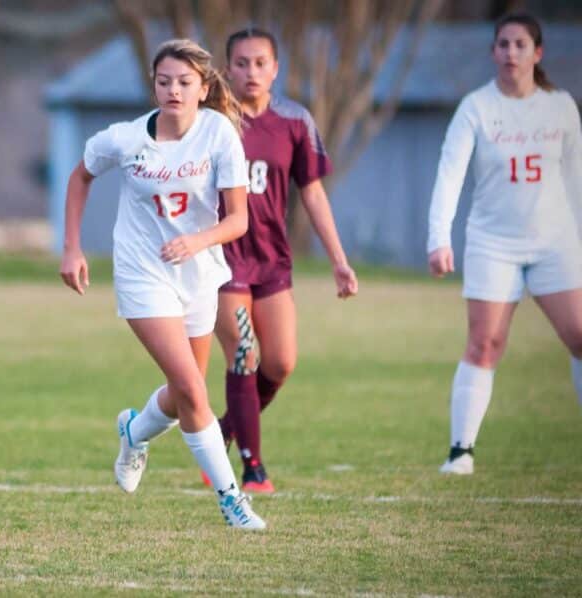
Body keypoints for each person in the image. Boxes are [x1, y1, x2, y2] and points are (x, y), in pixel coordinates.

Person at [60, 38, 266, 530]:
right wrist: (71, 247)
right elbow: (80, 176)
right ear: (153, 85)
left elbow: (237, 220)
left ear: (203, 87)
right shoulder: (125, 139)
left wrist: (198, 241)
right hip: (142, 273)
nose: (173, 90)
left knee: (182, 391)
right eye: (163, 81)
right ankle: (232, 500)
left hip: (198, 273)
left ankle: (134, 431)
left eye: (184, 82)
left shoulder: (218, 134)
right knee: (195, 391)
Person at [428, 13, 582, 475]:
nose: (511, 53)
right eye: (503, 44)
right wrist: (439, 238)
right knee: (485, 342)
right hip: (493, 243)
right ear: (493, 52)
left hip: (555, 243)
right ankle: (461, 452)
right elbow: (450, 173)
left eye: (520, 45)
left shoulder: (560, 107)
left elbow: (575, 178)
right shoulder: (476, 107)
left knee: (579, 336)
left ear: (537, 53)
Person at [206, 28, 357, 493]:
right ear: (227, 69)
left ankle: (224, 431)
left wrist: (339, 260)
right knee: (245, 357)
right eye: (241, 63)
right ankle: (252, 471)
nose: (251, 72)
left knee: (281, 364)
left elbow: (311, 192)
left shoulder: (295, 120)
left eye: (260, 63)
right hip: (223, 259)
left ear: (276, 68)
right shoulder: (211, 121)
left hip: (272, 262)